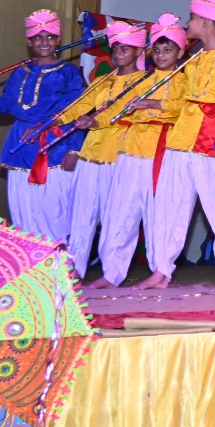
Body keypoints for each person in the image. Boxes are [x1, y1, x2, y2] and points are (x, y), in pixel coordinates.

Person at [141, 0, 215, 290]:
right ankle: (162, 271)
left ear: (206, 22)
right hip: (180, 139)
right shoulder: (193, 60)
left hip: (211, 141)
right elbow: (180, 102)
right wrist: (153, 104)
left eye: (191, 18)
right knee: (170, 206)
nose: (187, 23)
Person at [0, 9, 86, 245]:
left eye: (50, 37)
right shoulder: (20, 72)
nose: (44, 42)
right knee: (24, 209)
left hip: (56, 145)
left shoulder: (68, 72)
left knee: (56, 210)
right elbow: (6, 105)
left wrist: (74, 149)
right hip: (21, 146)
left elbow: (78, 112)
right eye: (38, 37)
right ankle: (31, 259)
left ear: (58, 39)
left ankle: (62, 260)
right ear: (29, 42)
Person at [51, 20, 149, 282]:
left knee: (116, 219)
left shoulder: (144, 82)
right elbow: (80, 105)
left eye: (125, 49)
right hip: (89, 156)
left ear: (139, 51)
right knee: (80, 216)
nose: (118, 54)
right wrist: (56, 119)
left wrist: (94, 121)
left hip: (118, 157)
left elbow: (120, 113)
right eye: (115, 49)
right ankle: (74, 270)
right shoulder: (103, 81)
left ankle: (111, 273)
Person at [97, 14, 187, 288]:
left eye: (168, 50)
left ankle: (160, 272)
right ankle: (111, 273)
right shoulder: (141, 80)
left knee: (159, 214)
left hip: (162, 153)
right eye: (156, 50)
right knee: (120, 211)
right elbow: (118, 109)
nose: (161, 55)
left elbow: (182, 108)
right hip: (130, 149)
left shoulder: (184, 80)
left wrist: (153, 104)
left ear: (180, 53)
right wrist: (96, 120)